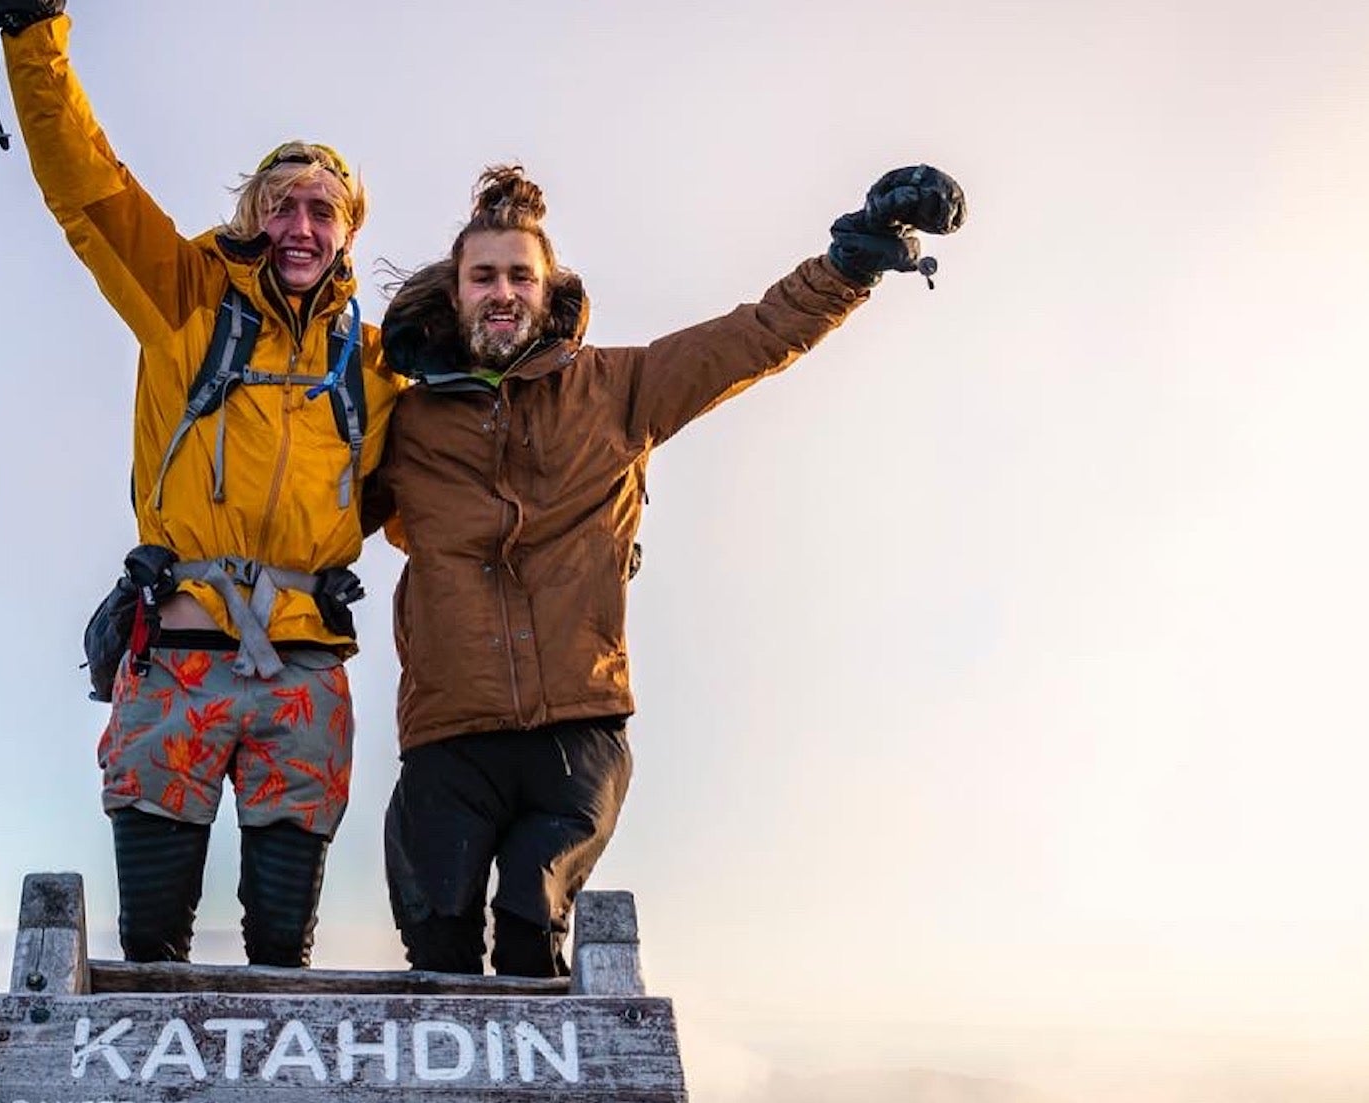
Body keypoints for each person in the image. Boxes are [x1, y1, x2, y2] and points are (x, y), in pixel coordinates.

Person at [366, 163, 965, 976]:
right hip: (447, 733)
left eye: (519, 275)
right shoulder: (399, 422)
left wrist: (851, 260)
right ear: (455, 291)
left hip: (576, 732)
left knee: (526, 924)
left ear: (548, 291)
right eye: (484, 276)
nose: (502, 292)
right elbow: (298, 496)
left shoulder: (617, 390)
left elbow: (754, 335)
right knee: (437, 943)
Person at [0, 0, 400, 968]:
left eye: (323, 210)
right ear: (252, 214)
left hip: (305, 662)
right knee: (153, 939)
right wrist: (28, 4)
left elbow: (431, 481)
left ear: (349, 230)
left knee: (281, 950)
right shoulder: (187, 299)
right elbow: (88, 186)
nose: (301, 225)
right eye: (282, 204)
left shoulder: (377, 360)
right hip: (180, 650)